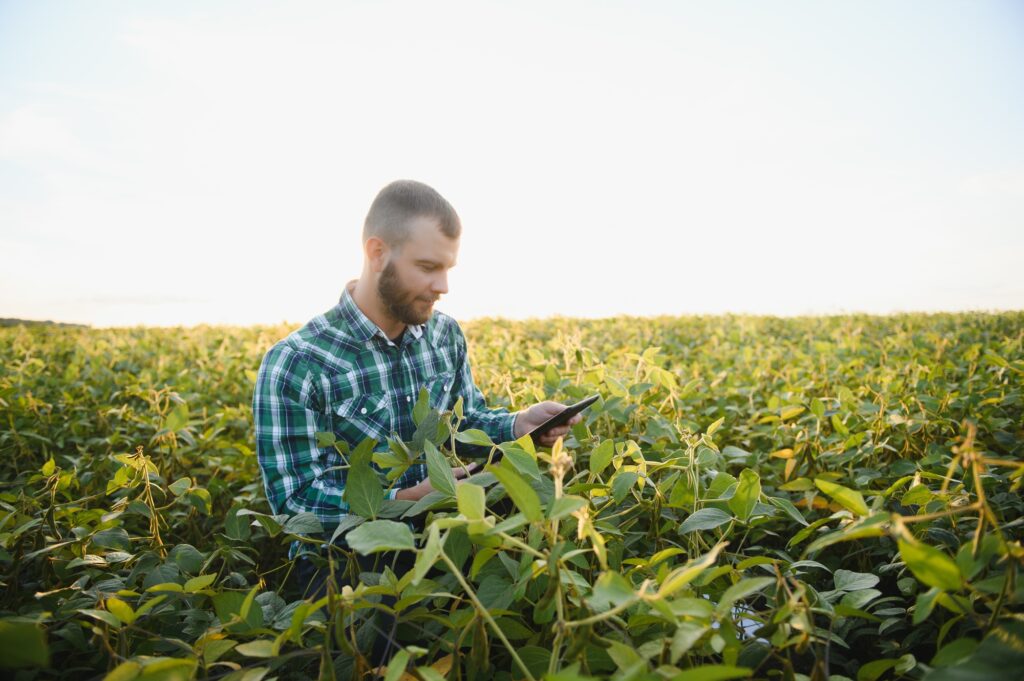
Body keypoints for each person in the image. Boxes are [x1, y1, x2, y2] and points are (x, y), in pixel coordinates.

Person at [251, 179, 580, 664]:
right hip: (348, 567)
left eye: (447, 268)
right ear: (377, 252)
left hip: (446, 533)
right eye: (428, 268)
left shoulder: (443, 334)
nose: (443, 287)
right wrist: (404, 501)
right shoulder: (297, 363)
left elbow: (466, 421)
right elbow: (294, 506)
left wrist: (516, 425)